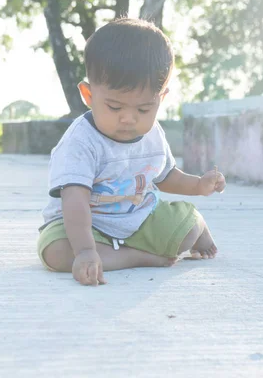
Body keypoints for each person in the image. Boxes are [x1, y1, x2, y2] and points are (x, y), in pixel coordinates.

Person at [37, 18, 226, 286]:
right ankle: (136, 257)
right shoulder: (80, 143)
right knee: (55, 253)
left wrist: (199, 184)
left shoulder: (153, 134)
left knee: (186, 231)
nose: (129, 119)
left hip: (138, 218)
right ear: (88, 95)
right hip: (86, 225)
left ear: (161, 98)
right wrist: (86, 251)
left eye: (143, 110)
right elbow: (75, 201)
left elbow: (166, 175)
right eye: (115, 108)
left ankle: (196, 227)